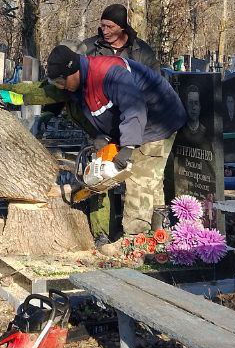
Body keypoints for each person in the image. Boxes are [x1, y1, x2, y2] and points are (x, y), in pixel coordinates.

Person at [45, 44, 186, 254]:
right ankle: (157, 238)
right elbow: (105, 110)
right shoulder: (82, 81)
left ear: (72, 71)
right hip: (139, 125)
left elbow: (133, 108)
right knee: (152, 184)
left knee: (140, 180)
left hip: (157, 121)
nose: (61, 87)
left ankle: (134, 242)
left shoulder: (109, 73)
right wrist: (104, 136)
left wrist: (127, 147)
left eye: (61, 82)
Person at [78, 3, 159, 72]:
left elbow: (156, 81)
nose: (105, 31)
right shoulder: (87, 47)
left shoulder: (142, 51)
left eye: (110, 27)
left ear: (122, 27)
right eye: (103, 26)